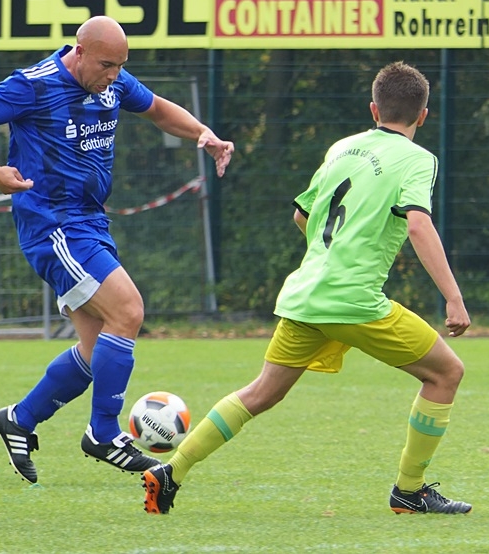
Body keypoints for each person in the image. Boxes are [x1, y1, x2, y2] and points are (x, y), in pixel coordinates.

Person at [142, 61, 472, 515]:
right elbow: (418, 225)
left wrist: (332, 257)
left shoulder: (342, 148)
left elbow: (303, 215)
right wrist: (453, 298)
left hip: (306, 294)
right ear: (424, 115)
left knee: (261, 393)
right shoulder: (418, 159)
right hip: (354, 299)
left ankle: (171, 470)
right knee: (446, 373)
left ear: (374, 109)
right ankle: (409, 491)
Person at [0, 16, 234, 484]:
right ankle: (103, 433)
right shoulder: (35, 84)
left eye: (120, 66)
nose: (114, 75)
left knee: (94, 347)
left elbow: (158, 109)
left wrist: (202, 133)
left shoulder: (113, 81)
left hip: (89, 222)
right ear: (79, 52)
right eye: (106, 65)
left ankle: (20, 419)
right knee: (128, 311)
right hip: (54, 225)